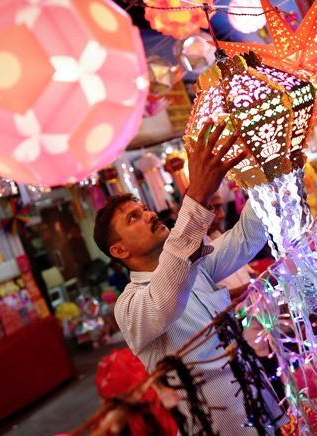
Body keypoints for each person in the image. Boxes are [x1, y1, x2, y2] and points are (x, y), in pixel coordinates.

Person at [93, 120, 285, 434]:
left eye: (143, 209)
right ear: (119, 250)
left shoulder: (195, 263)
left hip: (263, 408)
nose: (150, 214)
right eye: (134, 218)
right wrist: (196, 194)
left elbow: (248, 236)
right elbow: (166, 300)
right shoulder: (129, 307)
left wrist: (272, 166)